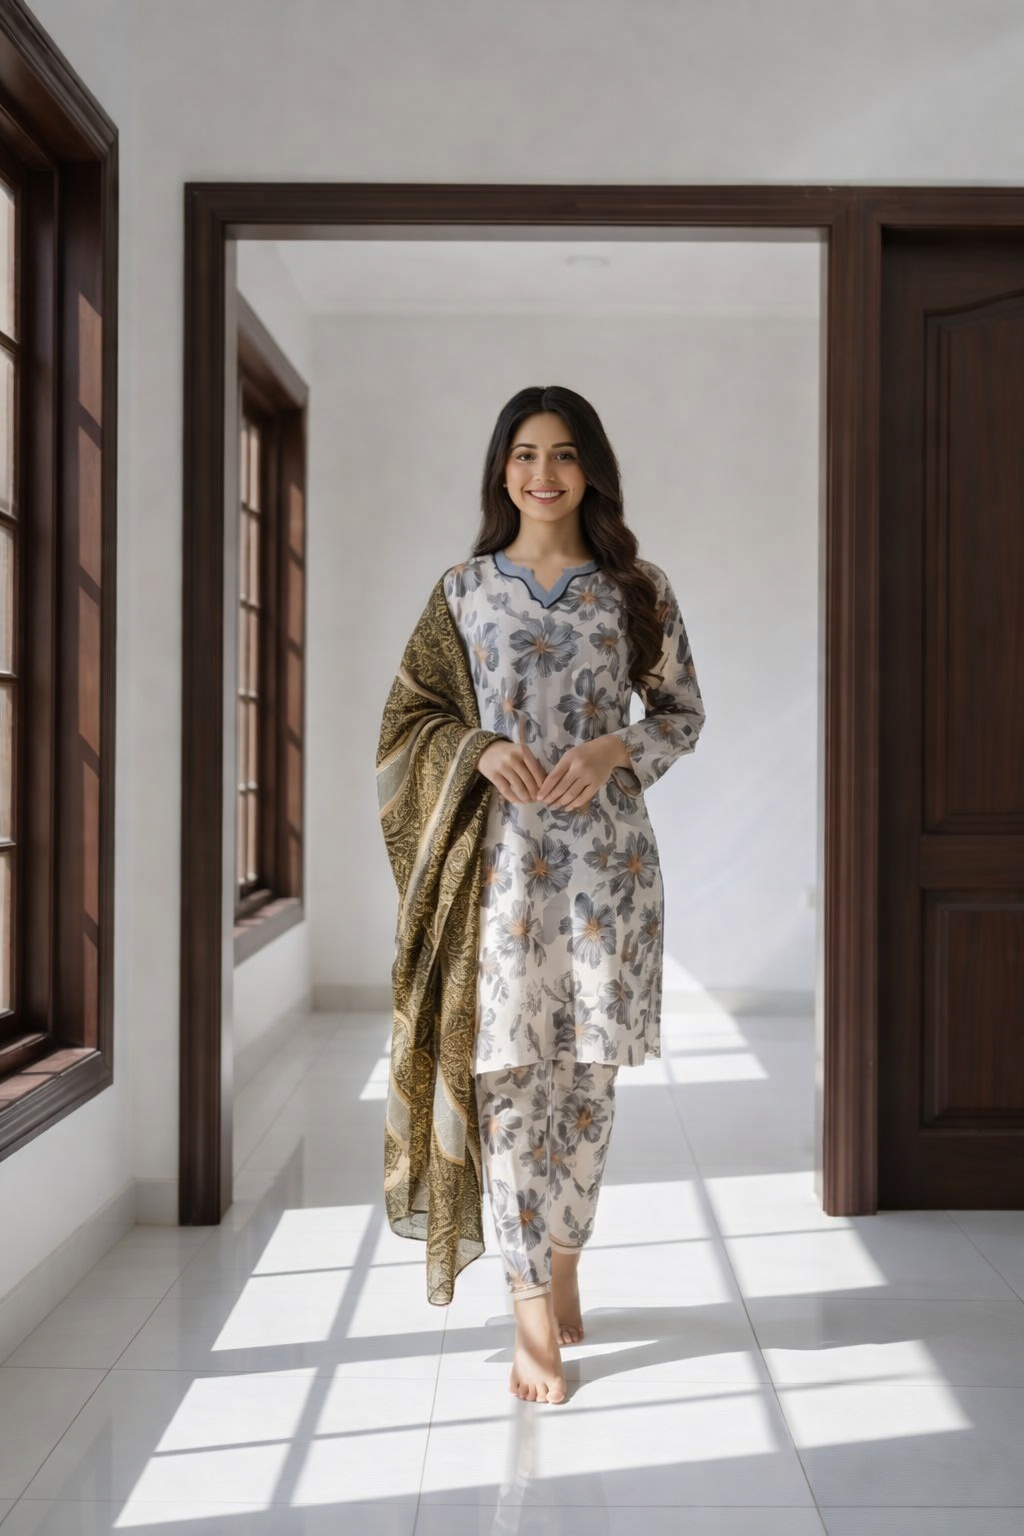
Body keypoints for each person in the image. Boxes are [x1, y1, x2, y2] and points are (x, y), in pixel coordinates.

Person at [440, 384, 706, 1403]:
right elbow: (415, 725)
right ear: (500, 469)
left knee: (587, 1084)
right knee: (506, 1081)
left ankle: (563, 1265)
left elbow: (681, 713)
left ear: (589, 467)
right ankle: (526, 1315)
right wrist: (482, 746)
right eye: (522, 453)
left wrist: (614, 747)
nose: (541, 473)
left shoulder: (635, 588)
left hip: (607, 875)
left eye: (560, 453)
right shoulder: (462, 591)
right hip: (501, 873)